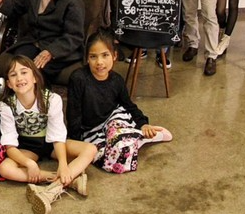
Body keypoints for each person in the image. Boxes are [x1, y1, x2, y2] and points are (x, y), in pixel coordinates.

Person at [0, 57, 96, 214]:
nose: (20, 78)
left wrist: (63, 165)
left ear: (35, 77)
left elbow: (58, 135)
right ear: (8, 83)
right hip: (28, 147)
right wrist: (29, 163)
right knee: (4, 168)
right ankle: (69, 181)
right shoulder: (6, 105)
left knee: (90, 149)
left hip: (53, 145)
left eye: (24, 72)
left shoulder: (52, 99)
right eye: (13, 75)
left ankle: (51, 190)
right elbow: (10, 146)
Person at [67, 31, 172, 173]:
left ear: (114, 56)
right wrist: (76, 142)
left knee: (119, 140)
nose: (99, 62)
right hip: (90, 130)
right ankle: (138, 139)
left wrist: (143, 123)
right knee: (109, 158)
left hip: (112, 119)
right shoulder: (78, 79)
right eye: (93, 57)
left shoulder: (117, 80)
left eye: (105, 55)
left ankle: (142, 135)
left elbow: (128, 105)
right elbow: (74, 113)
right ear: (87, 59)